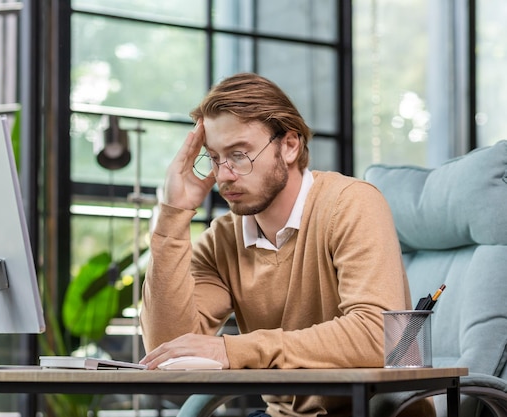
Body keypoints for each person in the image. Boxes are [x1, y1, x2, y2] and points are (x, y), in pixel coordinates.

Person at [139, 73, 433, 417]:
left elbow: (378, 335)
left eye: (238, 154)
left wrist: (236, 350)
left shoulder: (351, 204)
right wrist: (172, 215)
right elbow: (166, 351)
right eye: (214, 158)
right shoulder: (221, 241)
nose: (223, 175)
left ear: (289, 145)